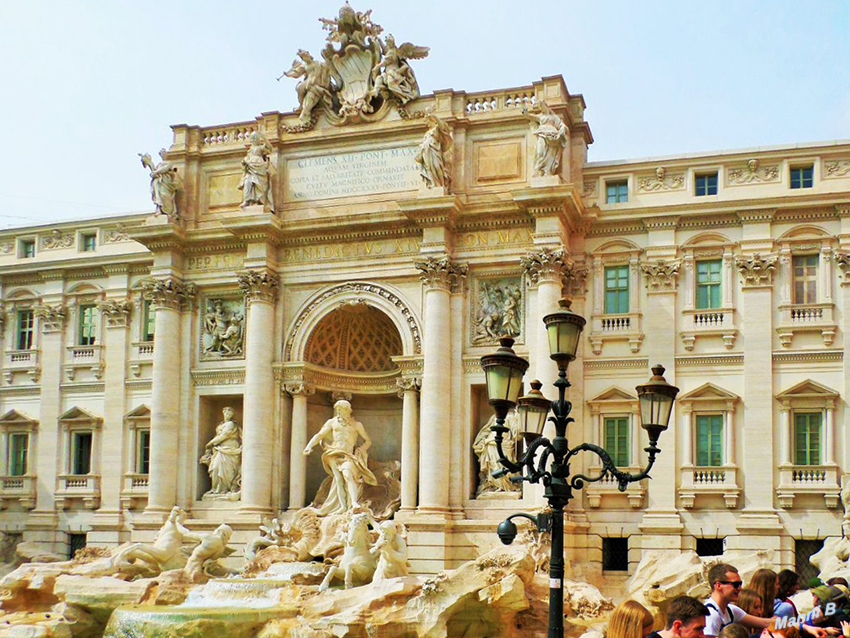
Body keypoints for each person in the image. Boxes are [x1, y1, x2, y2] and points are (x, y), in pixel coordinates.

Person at [303, 400, 378, 515]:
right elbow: (320, 435)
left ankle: (353, 502)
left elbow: (368, 441)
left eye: (341, 410)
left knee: (347, 474)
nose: (339, 412)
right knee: (338, 480)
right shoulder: (332, 422)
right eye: (337, 410)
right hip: (334, 453)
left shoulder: (357, 425)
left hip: (348, 455)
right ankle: (343, 506)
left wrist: (361, 449)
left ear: (348, 410)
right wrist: (309, 446)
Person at [704, 564, 772, 637]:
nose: (740, 588)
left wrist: (784, 623)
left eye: (740, 584)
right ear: (718, 585)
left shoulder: (730, 610)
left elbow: (765, 623)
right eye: (736, 584)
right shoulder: (711, 615)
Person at [200, 407, 242, 495]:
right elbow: (218, 436)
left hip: (230, 447)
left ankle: (225, 489)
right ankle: (216, 489)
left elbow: (224, 436)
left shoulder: (230, 424)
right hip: (219, 449)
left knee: (228, 470)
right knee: (215, 467)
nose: (228, 415)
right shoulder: (220, 425)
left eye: (230, 414)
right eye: (226, 413)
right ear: (223, 413)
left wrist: (210, 443)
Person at [523, 101, 568, 177]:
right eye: (540, 107)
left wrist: (562, 129)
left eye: (542, 106)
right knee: (540, 152)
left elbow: (562, 125)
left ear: (546, 106)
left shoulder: (554, 117)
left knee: (550, 154)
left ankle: (547, 170)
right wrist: (525, 112)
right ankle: (538, 169)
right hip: (542, 134)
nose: (541, 108)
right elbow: (529, 116)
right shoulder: (540, 116)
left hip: (552, 135)